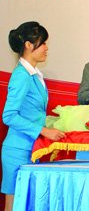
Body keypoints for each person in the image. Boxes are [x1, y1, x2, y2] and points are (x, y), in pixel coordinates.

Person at [1, 21, 66, 211]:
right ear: (29, 45)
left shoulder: (34, 74)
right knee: (14, 205)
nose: (47, 47)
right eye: (43, 42)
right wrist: (44, 130)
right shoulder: (22, 75)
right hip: (17, 150)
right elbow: (9, 116)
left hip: (31, 148)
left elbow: (34, 113)